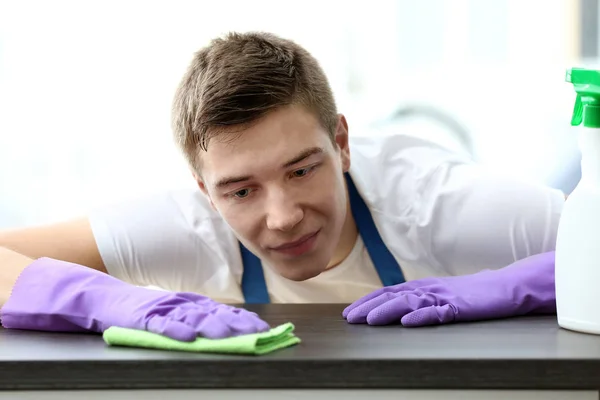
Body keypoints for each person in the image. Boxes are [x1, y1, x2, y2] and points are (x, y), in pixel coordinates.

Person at [0, 32, 564, 341]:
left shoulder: (444, 207)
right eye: (241, 191)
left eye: (302, 169)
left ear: (341, 143)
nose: (283, 216)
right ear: (203, 188)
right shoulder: (185, 230)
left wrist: (525, 284)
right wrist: (113, 301)